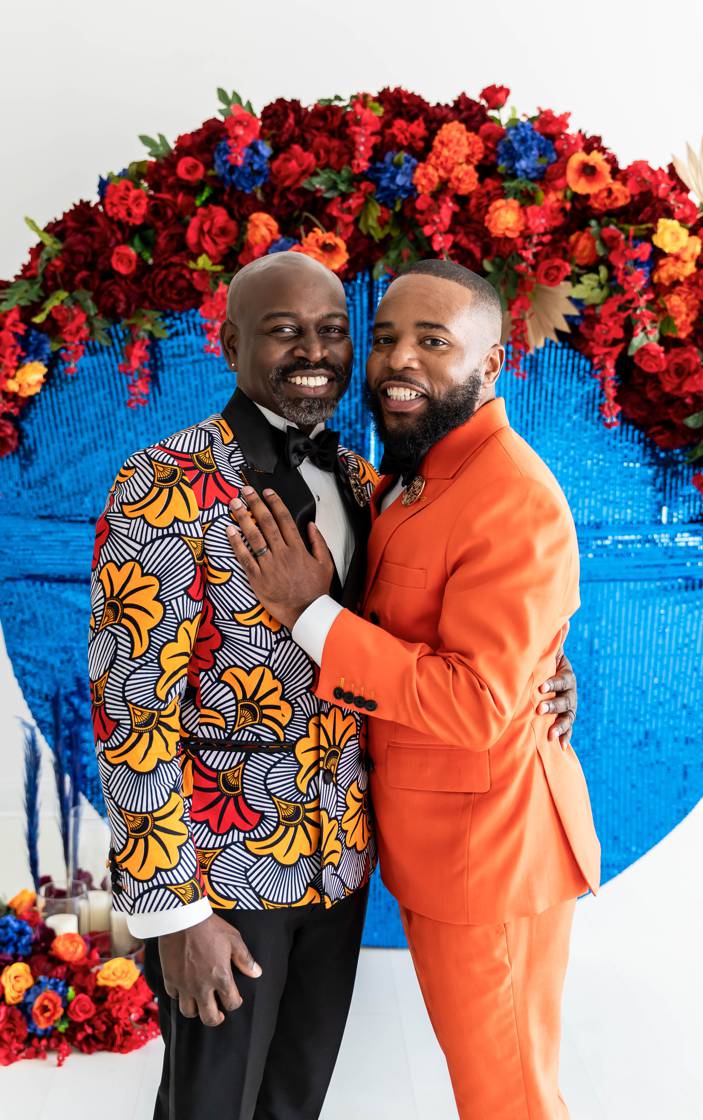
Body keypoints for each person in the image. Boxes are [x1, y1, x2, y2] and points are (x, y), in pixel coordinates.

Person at [89, 250, 578, 1120]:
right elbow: (133, 714)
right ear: (231, 342)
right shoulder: (164, 486)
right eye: (283, 331)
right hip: (225, 879)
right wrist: (173, 911)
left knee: (293, 1106)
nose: (313, 351)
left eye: (331, 332)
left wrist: (543, 666)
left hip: (341, 870)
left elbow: (440, 635)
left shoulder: (368, 483)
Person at [231, 258, 601, 1120]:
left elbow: (477, 702)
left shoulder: (511, 495)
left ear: (491, 362)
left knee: (507, 1099)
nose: (401, 361)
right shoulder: (406, 473)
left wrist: (308, 614)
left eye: (433, 341)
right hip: (440, 851)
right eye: (389, 337)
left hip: (492, 863)